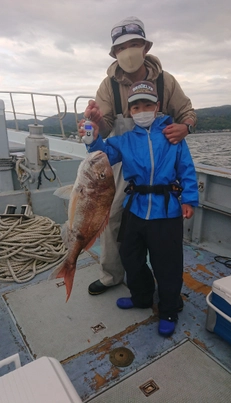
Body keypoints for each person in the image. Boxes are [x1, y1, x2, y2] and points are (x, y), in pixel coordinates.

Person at [81, 16, 197, 296]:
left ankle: (161, 282)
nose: (128, 52)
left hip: (161, 163)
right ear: (114, 54)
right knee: (111, 219)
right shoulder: (108, 86)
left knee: (160, 232)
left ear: (145, 47)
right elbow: (106, 127)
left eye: (134, 44)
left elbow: (187, 113)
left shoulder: (166, 81)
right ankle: (111, 276)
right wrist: (95, 124)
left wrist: (186, 127)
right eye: (121, 48)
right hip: (125, 158)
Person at [79, 81, 199, 335]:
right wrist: (93, 136)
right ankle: (142, 297)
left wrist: (189, 198)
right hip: (135, 208)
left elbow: (186, 168)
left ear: (157, 107)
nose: (142, 109)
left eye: (147, 104)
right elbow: (102, 156)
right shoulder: (125, 140)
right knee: (130, 257)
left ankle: (168, 308)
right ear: (129, 112)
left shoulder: (171, 135)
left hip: (167, 211)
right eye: (136, 106)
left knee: (167, 263)